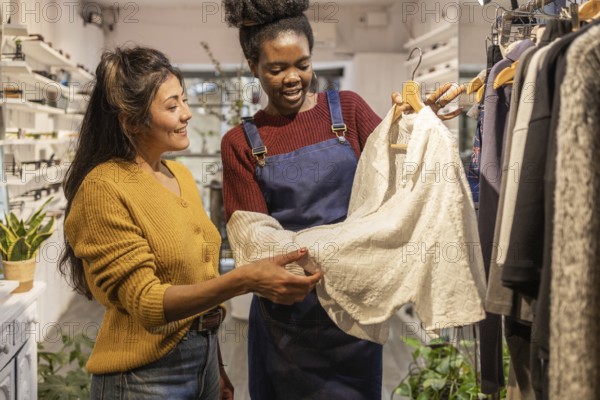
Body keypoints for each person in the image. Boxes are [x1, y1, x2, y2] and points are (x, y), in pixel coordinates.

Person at [220, 1, 464, 399]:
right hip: (287, 322)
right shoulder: (240, 143)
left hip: (355, 313)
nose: (293, 78)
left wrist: (420, 125)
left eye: (302, 63)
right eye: (276, 69)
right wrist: (317, 260)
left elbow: (396, 171)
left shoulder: (347, 110)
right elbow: (254, 242)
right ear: (253, 67)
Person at [58, 46, 322, 400]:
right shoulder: (102, 188)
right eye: (172, 106)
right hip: (143, 378)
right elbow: (148, 303)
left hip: (203, 361)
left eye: (183, 100)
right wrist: (244, 279)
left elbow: (200, 277)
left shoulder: (179, 174)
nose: (187, 114)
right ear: (130, 121)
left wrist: (216, 367)